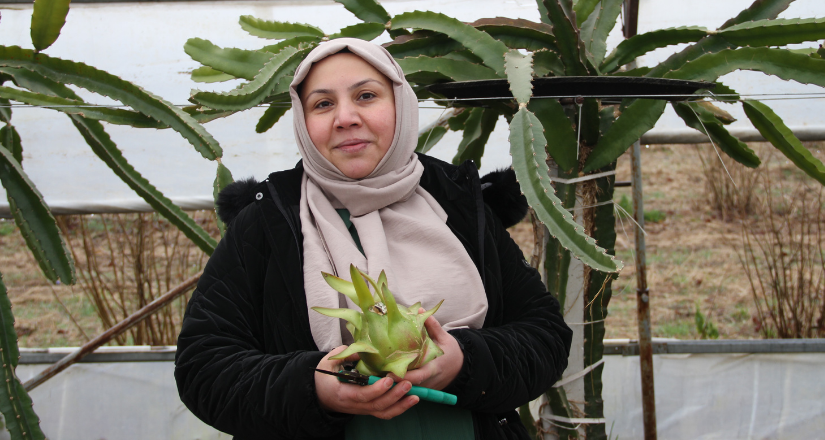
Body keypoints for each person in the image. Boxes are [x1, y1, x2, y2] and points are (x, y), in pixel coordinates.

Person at [174, 38, 572, 440]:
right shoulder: (265, 221)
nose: (345, 118)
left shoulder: (460, 204)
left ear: (401, 104)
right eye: (323, 104)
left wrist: (463, 361)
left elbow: (545, 337)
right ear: (302, 119)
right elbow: (203, 369)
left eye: (366, 96)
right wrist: (315, 387)